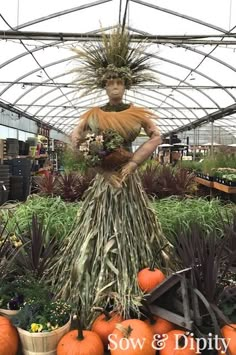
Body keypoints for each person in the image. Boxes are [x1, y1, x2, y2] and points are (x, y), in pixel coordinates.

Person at [49, 27, 172, 326]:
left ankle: (138, 285)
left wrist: (132, 165)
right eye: (110, 83)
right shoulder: (93, 114)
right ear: (104, 85)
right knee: (99, 225)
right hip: (105, 186)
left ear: (125, 84)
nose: (115, 87)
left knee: (134, 225)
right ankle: (94, 287)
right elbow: (75, 139)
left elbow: (156, 136)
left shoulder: (137, 112)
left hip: (129, 183)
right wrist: (103, 171)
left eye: (119, 82)